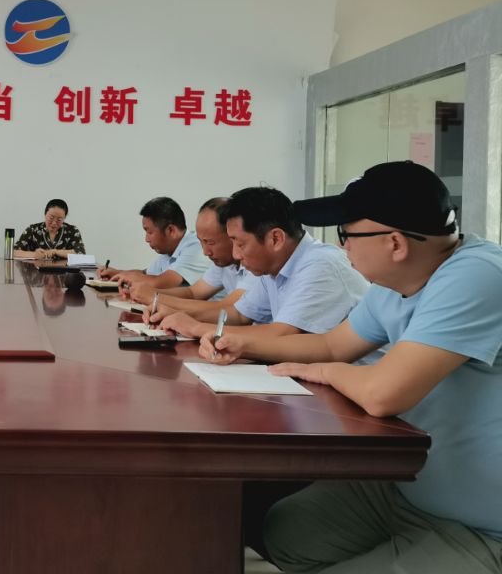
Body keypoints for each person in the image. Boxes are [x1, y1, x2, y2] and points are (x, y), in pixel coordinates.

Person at [202, 162, 502, 574]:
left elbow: (383, 393)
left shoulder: (477, 275)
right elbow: (332, 344)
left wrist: (325, 372)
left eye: (346, 235)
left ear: (395, 243)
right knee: (281, 534)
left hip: (482, 523)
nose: (342, 247)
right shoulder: (396, 283)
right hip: (406, 487)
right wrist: (241, 342)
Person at [155, 186, 367, 342]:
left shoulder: (320, 264)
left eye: (240, 243)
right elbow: (240, 315)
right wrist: (176, 315)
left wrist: (197, 328)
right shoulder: (274, 266)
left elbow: (282, 335)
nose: (236, 254)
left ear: (275, 239)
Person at [127, 197, 257, 319]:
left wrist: (156, 298)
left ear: (232, 235)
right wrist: (153, 294)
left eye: (210, 242)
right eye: (201, 242)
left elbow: (229, 309)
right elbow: (193, 293)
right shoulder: (223, 263)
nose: (205, 252)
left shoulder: (255, 265)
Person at [99, 197, 208, 288]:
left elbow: (160, 282)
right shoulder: (170, 249)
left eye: (149, 232)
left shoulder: (196, 247)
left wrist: (126, 277)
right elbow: (145, 274)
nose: (146, 239)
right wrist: (117, 273)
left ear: (171, 230)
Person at [14, 199, 86, 259]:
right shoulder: (33, 229)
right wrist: (33, 254)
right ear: (45, 214)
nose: (54, 223)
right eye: (51, 218)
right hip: (36, 271)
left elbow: (81, 253)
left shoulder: (72, 230)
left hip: (64, 271)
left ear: (64, 218)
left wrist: (56, 252)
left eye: (59, 219)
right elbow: (13, 251)